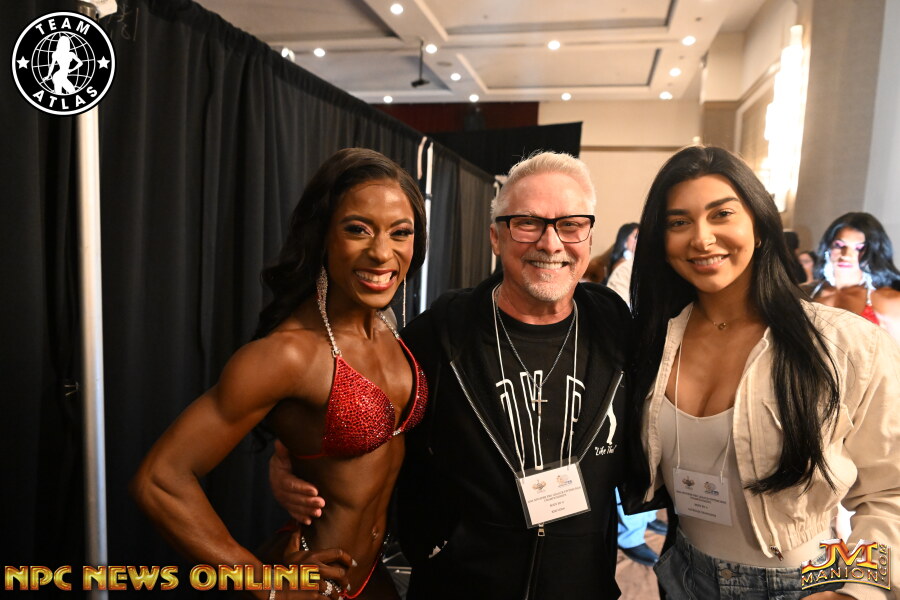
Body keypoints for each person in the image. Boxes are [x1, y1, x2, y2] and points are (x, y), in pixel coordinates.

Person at [272, 152, 635, 599]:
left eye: (571, 224)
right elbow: (363, 418)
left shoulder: (616, 327)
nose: (551, 242)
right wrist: (297, 463)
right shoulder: (440, 333)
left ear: (589, 235)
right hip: (459, 585)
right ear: (495, 237)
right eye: (527, 223)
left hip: (582, 586)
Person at [131, 148, 429, 600]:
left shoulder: (389, 327)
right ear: (322, 234)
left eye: (400, 232)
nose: (381, 252)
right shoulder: (290, 354)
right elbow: (159, 480)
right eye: (357, 229)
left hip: (375, 576)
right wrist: (262, 582)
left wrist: (286, 454)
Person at [630, 145, 900, 599]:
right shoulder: (654, 340)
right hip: (684, 573)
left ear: (759, 226)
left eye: (721, 214)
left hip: (806, 583)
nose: (702, 239)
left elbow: (890, 492)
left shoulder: (845, 343)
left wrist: (854, 591)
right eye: (679, 222)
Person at [806, 212, 900, 343]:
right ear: (828, 247)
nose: (846, 254)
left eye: (859, 248)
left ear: (873, 253)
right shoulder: (805, 292)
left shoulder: (890, 301)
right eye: (839, 245)